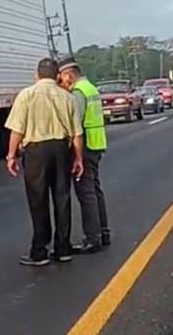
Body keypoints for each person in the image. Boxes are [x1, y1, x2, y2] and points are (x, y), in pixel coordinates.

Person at [5, 58, 84, 267]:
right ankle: (63, 248)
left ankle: (39, 250)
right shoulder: (67, 97)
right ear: (57, 75)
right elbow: (77, 133)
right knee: (62, 198)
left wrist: (11, 155)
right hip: (61, 149)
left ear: (37, 75)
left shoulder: (26, 95)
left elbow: (17, 130)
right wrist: (78, 158)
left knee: (38, 199)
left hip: (36, 152)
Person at [58, 58, 110, 254]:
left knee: (86, 193)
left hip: (86, 145)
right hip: (96, 143)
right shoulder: (91, 88)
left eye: (63, 77)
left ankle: (92, 238)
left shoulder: (79, 92)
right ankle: (103, 232)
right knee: (95, 190)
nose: (63, 82)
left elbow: (74, 122)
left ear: (69, 75)